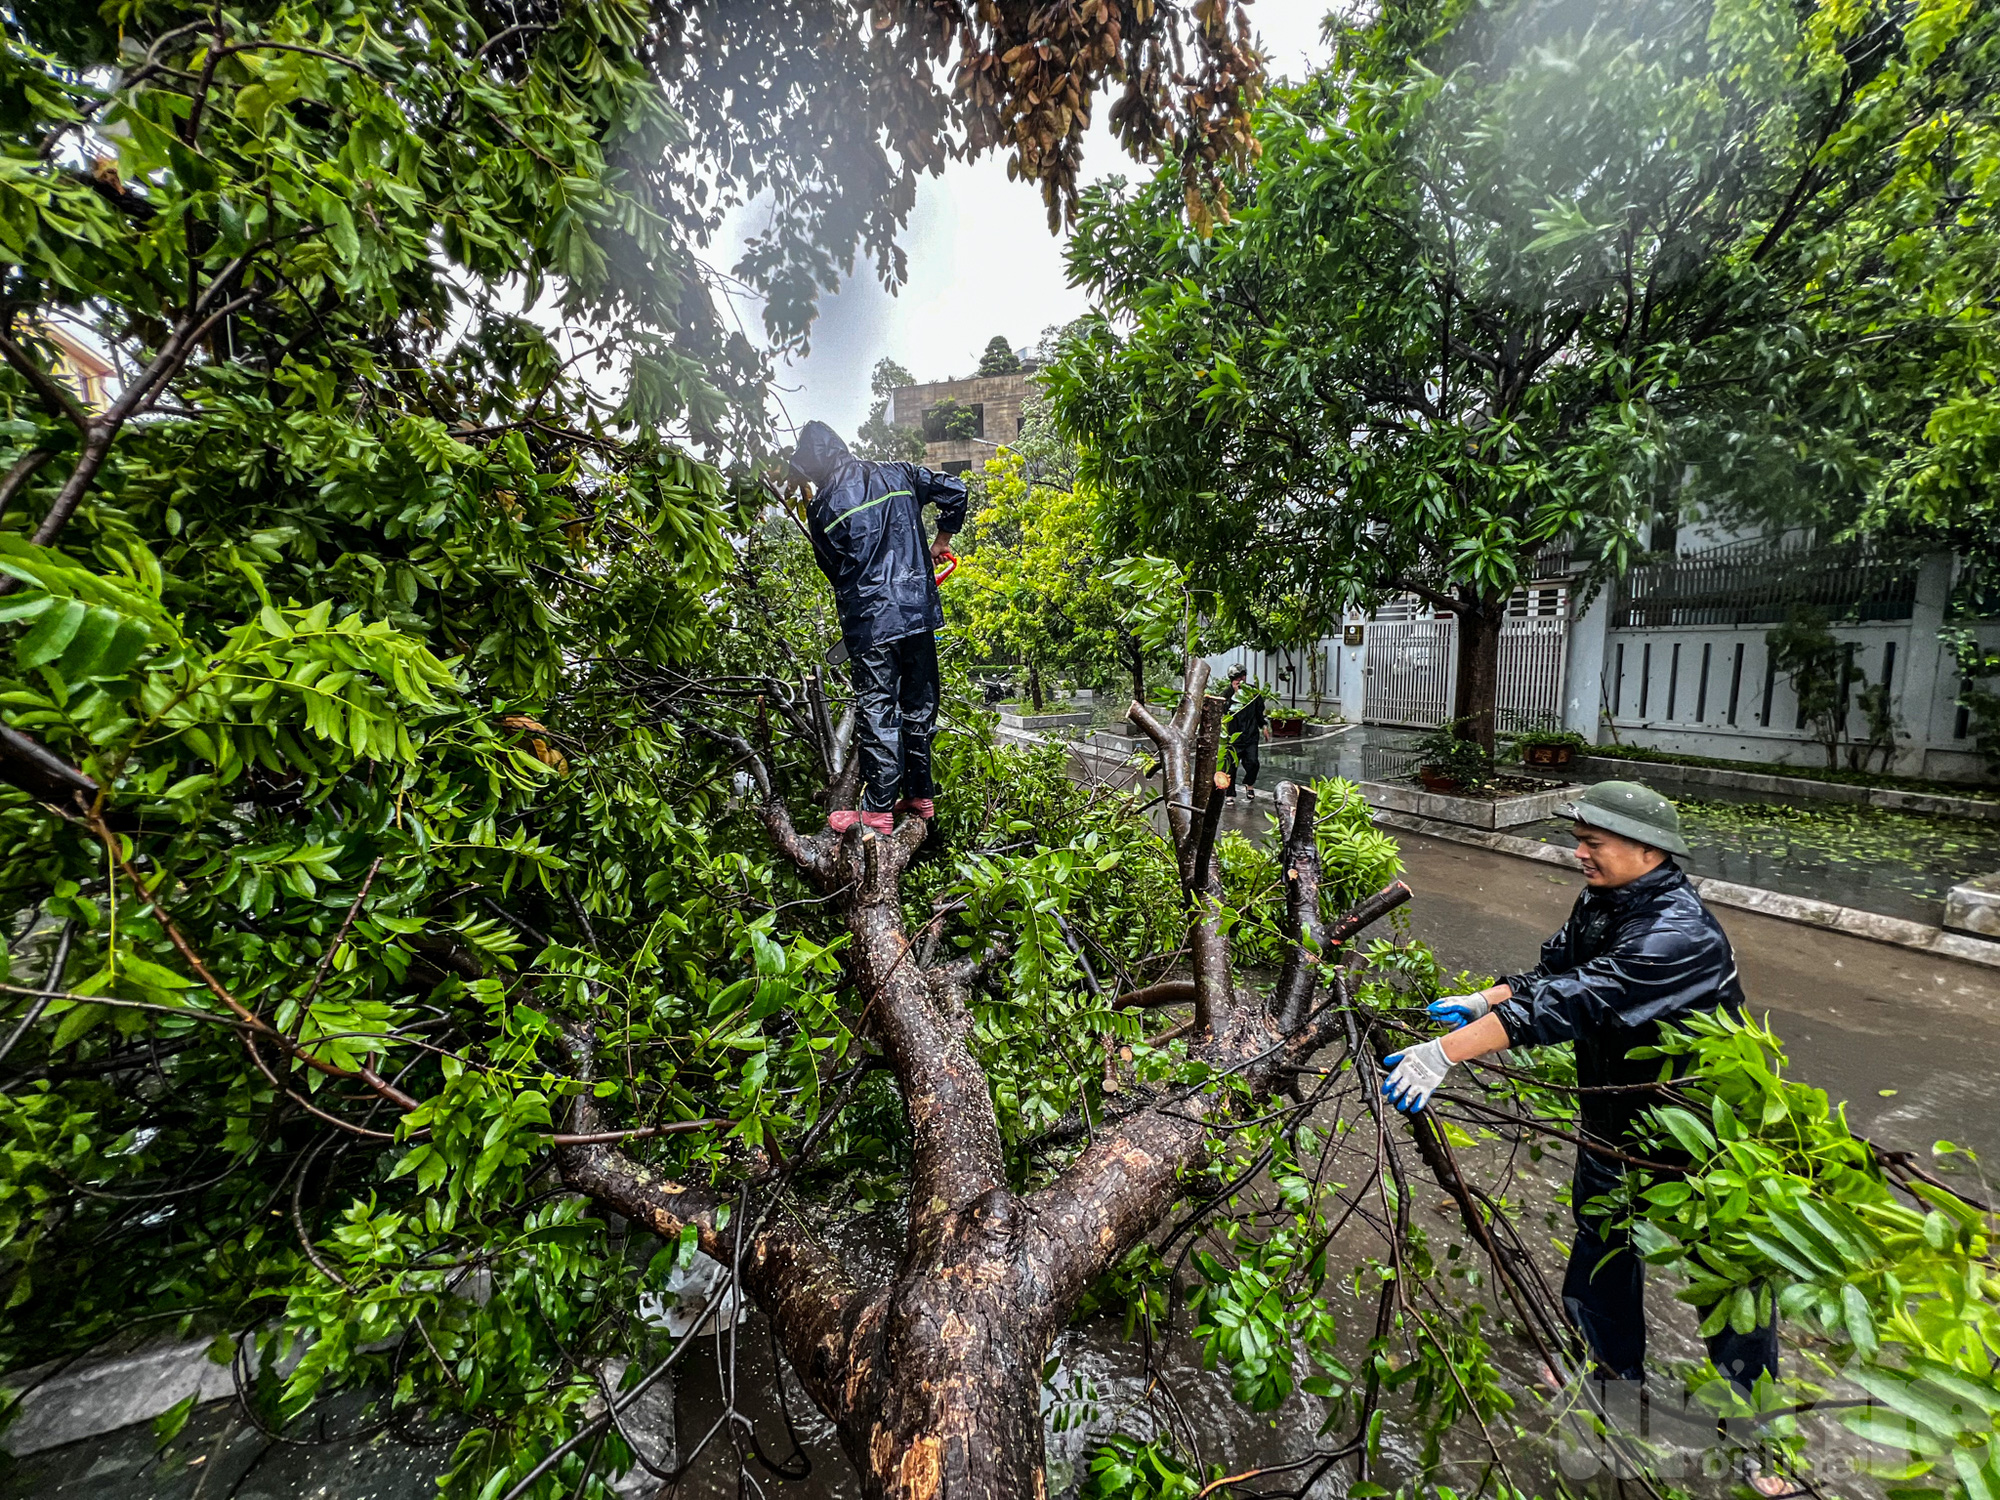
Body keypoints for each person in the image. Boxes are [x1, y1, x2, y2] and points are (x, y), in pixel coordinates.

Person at [1378, 781, 1786, 1484]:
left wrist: (1445, 1054)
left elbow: (1576, 999)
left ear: (1647, 850)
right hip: (1613, 1119)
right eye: (1581, 839)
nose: (1580, 853)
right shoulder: (1605, 903)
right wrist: (1486, 997)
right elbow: (1555, 972)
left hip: (1701, 1140)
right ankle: (1607, 1373)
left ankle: (1757, 1439)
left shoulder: (1678, 936)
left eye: (1594, 843)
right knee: (1603, 1246)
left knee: (1730, 1286)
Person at [788, 421, 966, 834]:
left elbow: (835, 573)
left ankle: (878, 809)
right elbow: (955, 490)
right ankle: (921, 796)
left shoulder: (823, 509)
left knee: (878, 710)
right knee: (919, 707)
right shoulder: (899, 472)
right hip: (918, 613)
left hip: (870, 622)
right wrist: (940, 541)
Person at [1222, 664, 1267, 801]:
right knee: (1231, 766)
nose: (1240, 680)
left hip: (1251, 733)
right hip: (1234, 736)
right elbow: (1224, 711)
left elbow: (1259, 711)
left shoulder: (1252, 692)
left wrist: (1263, 725)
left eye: (1243, 676)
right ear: (1231, 679)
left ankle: (1249, 784)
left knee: (1253, 762)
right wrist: (1235, 695)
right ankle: (1230, 793)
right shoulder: (1227, 693)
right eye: (1237, 678)